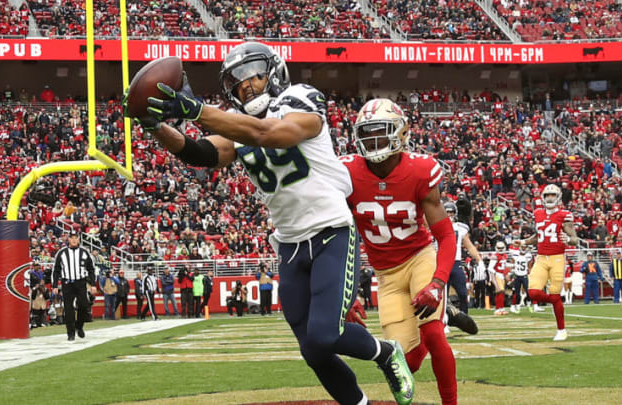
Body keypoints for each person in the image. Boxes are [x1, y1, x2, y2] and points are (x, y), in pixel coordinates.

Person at [129, 43, 414, 405]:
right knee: (312, 351)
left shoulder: (300, 98)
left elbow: (273, 134)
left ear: (274, 72)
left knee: (325, 335)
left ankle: (386, 352)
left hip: (330, 231)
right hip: (290, 244)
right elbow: (200, 152)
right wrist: (153, 125)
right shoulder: (237, 124)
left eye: (253, 75)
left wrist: (197, 110)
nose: (245, 85)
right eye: (236, 81)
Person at [342, 98, 459, 405]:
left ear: (401, 132)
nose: (373, 141)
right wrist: (348, 292)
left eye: (380, 132)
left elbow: (446, 236)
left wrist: (436, 283)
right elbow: (342, 237)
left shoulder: (421, 171)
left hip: (419, 257)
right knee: (406, 362)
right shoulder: (347, 174)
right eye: (366, 134)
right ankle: (447, 315)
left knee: (433, 333)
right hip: (386, 274)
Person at [514, 184, 579, 341]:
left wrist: (568, 240)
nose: (549, 198)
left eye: (552, 195)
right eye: (547, 195)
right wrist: (524, 242)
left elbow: (575, 240)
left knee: (554, 291)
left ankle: (561, 329)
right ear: (543, 198)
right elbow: (538, 236)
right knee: (533, 292)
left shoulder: (565, 215)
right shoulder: (538, 213)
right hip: (541, 257)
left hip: (557, 257)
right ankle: (556, 301)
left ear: (558, 197)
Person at [52, 230, 96, 341]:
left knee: (84, 305)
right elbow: (56, 270)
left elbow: (91, 269)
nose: (74, 240)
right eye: (72, 238)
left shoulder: (84, 252)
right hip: (67, 283)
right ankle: (70, 333)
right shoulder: (62, 253)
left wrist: (93, 284)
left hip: (80, 282)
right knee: (68, 309)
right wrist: (55, 285)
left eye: (76, 237)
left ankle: (79, 326)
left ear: (79, 239)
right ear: (68, 239)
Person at [444, 200, 483, 315]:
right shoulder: (436, 225)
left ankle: (465, 317)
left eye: (451, 212)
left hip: (456, 263)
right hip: (442, 263)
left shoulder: (460, 228)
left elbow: (469, 246)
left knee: (462, 293)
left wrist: (479, 261)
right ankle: (443, 320)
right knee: (443, 295)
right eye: (447, 212)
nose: (449, 215)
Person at [508, 244, 533, 313]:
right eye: (523, 247)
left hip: (524, 275)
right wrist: (511, 273)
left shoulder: (528, 256)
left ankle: (529, 304)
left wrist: (529, 273)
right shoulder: (515, 254)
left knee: (528, 291)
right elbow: (512, 264)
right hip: (517, 275)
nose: (524, 248)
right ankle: (517, 305)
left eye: (525, 247)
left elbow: (529, 266)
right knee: (517, 292)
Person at [488, 241, 510, 315]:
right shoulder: (495, 256)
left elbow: (505, 266)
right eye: (499, 248)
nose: (500, 249)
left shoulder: (505, 255)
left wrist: (507, 272)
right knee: (500, 290)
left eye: (501, 248)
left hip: (501, 275)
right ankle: (498, 309)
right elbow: (490, 268)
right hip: (496, 274)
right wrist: (495, 274)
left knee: (501, 292)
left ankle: (501, 308)